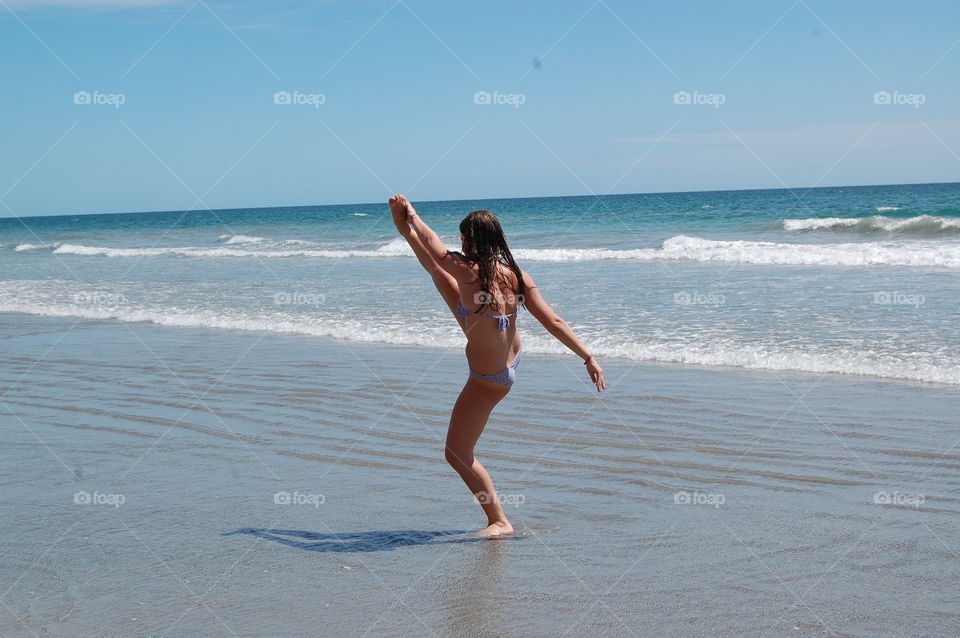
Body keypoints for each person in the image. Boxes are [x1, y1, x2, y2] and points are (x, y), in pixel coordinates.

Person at [388, 194, 605, 536]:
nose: (459, 243)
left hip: (487, 379)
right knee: (440, 276)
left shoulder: (467, 271)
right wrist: (588, 357)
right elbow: (555, 322)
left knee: (456, 454)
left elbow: (434, 246)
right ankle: (404, 234)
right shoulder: (516, 276)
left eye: (462, 237)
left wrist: (413, 217)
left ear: (469, 239)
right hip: (510, 359)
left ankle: (499, 520)